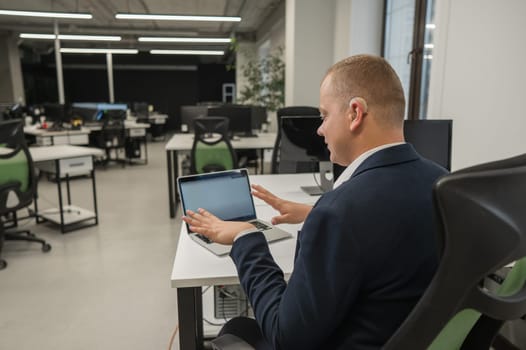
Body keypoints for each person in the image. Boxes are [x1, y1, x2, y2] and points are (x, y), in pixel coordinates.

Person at [182, 54, 448, 349]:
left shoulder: (339, 211)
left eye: (324, 116)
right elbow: (389, 230)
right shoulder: (444, 183)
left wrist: (246, 236)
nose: (320, 129)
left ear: (354, 113)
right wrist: (314, 214)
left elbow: (286, 337)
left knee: (237, 328)